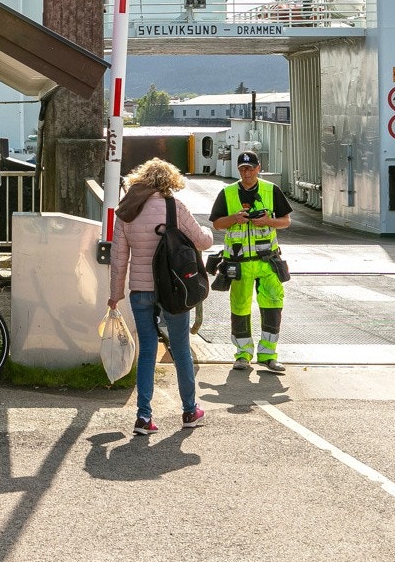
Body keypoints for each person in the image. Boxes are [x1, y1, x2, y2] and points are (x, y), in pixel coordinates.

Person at [108, 158, 212, 435]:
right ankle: (189, 411)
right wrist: (209, 234)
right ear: (170, 181)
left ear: (140, 179)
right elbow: (202, 242)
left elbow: (119, 260)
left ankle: (144, 417)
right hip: (174, 291)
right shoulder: (174, 207)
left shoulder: (126, 211)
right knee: (180, 350)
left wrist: (115, 295)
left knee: (147, 352)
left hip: (140, 292)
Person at [210, 150, 293, 374]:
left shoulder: (270, 189)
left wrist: (268, 221)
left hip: (267, 261)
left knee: (273, 305)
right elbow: (217, 224)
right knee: (239, 308)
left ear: (258, 168)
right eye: (242, 169)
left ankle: (268, 355)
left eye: (250, 168)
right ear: (239, 170)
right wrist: (234, 219)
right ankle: (243, 354)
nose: (246, 172)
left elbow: (286, 222)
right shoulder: (227, 193)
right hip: (240, 263)